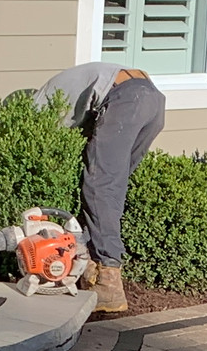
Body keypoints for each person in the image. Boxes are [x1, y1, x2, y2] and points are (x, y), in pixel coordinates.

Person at [35, 62, 164, 315]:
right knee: (112, 187)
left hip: (126, 98)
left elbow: (50, 140)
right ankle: (92, 266)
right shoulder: (62, 85)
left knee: (100, 187)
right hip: (152, 98)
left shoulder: (41, 104)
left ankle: (108, 282)